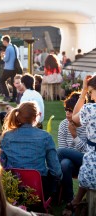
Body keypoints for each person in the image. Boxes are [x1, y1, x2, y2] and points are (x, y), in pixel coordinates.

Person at [0, 101, 62, 199]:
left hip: (13, 187)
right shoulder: (45, 136)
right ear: (35, 117)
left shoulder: (6, 136)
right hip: (39, 190)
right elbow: (56, 171)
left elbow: (1, 164)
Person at [63, 75, 96, 214]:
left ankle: (73, 200)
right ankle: (75, 200)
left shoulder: (90, 109)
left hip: (92, 173)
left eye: (91, 91)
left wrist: (82, 92)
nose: (91, 95)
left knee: (63, 155)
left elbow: (75, 119)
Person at [57, 92, 87, 203]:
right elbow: (64, 150)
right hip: (71, 163)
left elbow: (88, 152)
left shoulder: (88, 124)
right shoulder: (63, 124)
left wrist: (75, 136)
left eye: (70, 111)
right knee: (64, 163)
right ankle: (69, 199)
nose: (67, 114)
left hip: (87, 161)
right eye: (66, 110)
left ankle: (54, 183)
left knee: (59, 152)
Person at [0, 35, 18, 102]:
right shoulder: (14, 47)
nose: (2, 43)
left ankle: (7, 96)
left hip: (8, 68)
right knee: (13, 83)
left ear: (5, 41)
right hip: (15, 68)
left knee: (1, 81)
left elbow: (6, 59)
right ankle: (14, 97)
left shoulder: (8, 48)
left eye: (2, 42)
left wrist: (2, 56)